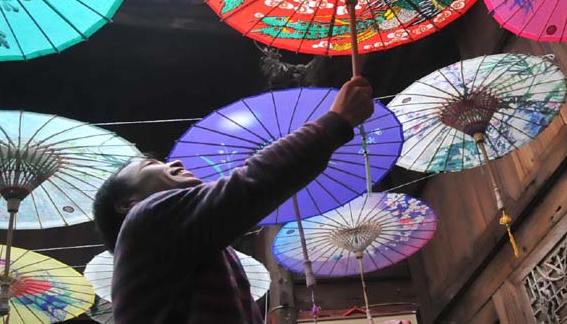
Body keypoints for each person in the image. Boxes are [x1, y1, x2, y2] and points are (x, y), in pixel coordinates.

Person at [92, 76, 374, 324]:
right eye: (151, 163)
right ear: (127, 204)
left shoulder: (198, 248)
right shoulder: (144, 220)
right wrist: (336, 121)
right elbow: (249, 184)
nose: (174, 161)